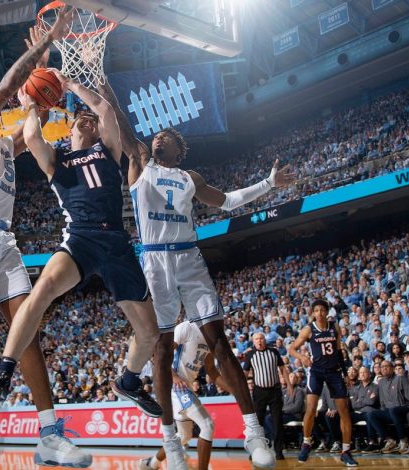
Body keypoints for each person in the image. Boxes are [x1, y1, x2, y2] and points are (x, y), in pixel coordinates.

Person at [95, 76, 295, 468]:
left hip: (188, 258)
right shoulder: (138, 161)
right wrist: (101, 80)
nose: (158, 137)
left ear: (179, 150)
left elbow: (228, 201)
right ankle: (170, 440)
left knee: (218, 341)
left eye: (166, 135)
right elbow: (118, 117)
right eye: (156, 135)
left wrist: (269, 184)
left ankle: (253, 431)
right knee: (162, 347)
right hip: (154, 259)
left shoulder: (191, 179)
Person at [0, 68, 170, 461]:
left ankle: (129, 382)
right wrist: (32, 104)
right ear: (69, 130)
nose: (88, 119)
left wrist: (73, 85)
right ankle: (2, 377)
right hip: (80, 238)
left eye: (90, 119)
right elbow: (31, 137)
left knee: (149, 333)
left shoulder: (107, 151)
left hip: (116, 242)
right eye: (81, 118)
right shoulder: (59, 160)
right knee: (42, 288)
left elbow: (108, 112)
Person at [0, 8, 90, 469]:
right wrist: (41, 45)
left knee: (27, 333)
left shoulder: (5, 145)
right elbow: (9, 88)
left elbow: (31, 111)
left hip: (3, 240)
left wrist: (46, 64)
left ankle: (49, 434)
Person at [139, 321, 230, 470]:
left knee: (184, 436)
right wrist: (174, 377)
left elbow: (211, 371)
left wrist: (234, 390)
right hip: (176, 385)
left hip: (186, 386)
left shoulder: (210, 337)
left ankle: (152, 463)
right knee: (207, 425)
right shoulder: (187, 327)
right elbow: (160, 356)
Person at [288, 300, 358, 466]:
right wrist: (302, 357)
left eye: (322, 310)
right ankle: (306, 443)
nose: (319, 313)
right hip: (316, 371)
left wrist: (345, 372)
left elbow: (340, 351)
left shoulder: (335, 327)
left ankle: (346, 451)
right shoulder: (308, 329)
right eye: (316, 310)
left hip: (334, 371)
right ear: (313, 313)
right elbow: (292, 349)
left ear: (326, 312)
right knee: (311, 408)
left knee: (344, 411)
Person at [244, 333, 290, 460]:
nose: (259, 341)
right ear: (253, 342)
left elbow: (282, 369)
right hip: (259, 391)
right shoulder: (250, 355)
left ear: (265, 340)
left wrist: (289, 385)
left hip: (275, 390)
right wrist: (243, 391)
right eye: (257, 339)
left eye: (261, 338)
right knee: (258, 423)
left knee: (277, 421)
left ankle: (279, 451)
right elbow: (245, 373)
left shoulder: (274, 352)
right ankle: (256, 451)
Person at [364, 361, 409, 454]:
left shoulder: (401, 378)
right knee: (371, 414)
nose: (384, 368)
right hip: (390, 411)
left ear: (392, 368)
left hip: (404, 409)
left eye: (387, 366)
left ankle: (404, 440)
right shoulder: (381, 382)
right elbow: (382, 402)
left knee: (393, 410)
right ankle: (389, 440)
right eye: (382, 366)